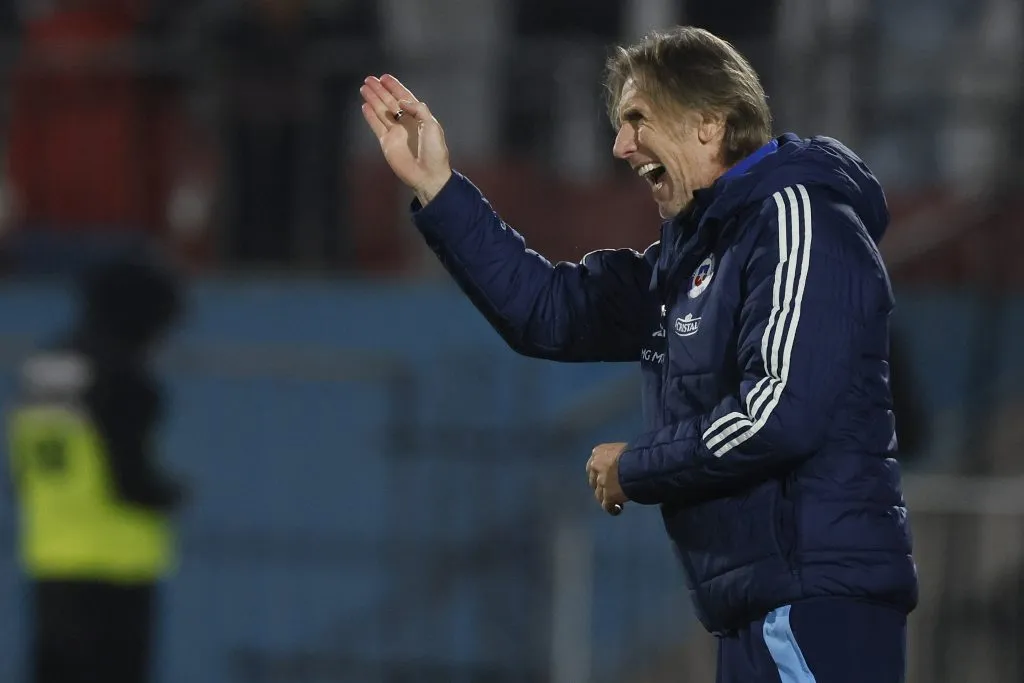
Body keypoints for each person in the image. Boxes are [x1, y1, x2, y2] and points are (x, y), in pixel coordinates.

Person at [359, 26, 917, 683]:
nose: (621, 146)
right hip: (763, 604)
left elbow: (778, 412)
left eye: (638, 119)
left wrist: (638, 465)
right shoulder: (694, 258)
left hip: (811, 603)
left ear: (709, 125)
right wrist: (438, 185)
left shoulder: (797, 217)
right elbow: (548, 311)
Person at [7, 253, 187, 683]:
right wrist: (170, 494)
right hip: (115, 560)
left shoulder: (43, 369)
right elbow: (131, 478)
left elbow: (22, 465)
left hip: (50, 551)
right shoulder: (125, 376)